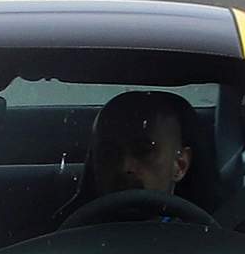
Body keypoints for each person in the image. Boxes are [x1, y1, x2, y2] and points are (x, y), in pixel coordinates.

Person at [54, 90, 198, 228]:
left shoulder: (204, 243)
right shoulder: (67, 242)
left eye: (143, 151)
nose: (124, 167)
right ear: (94, 163)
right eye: (109, 153)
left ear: (180, 164)